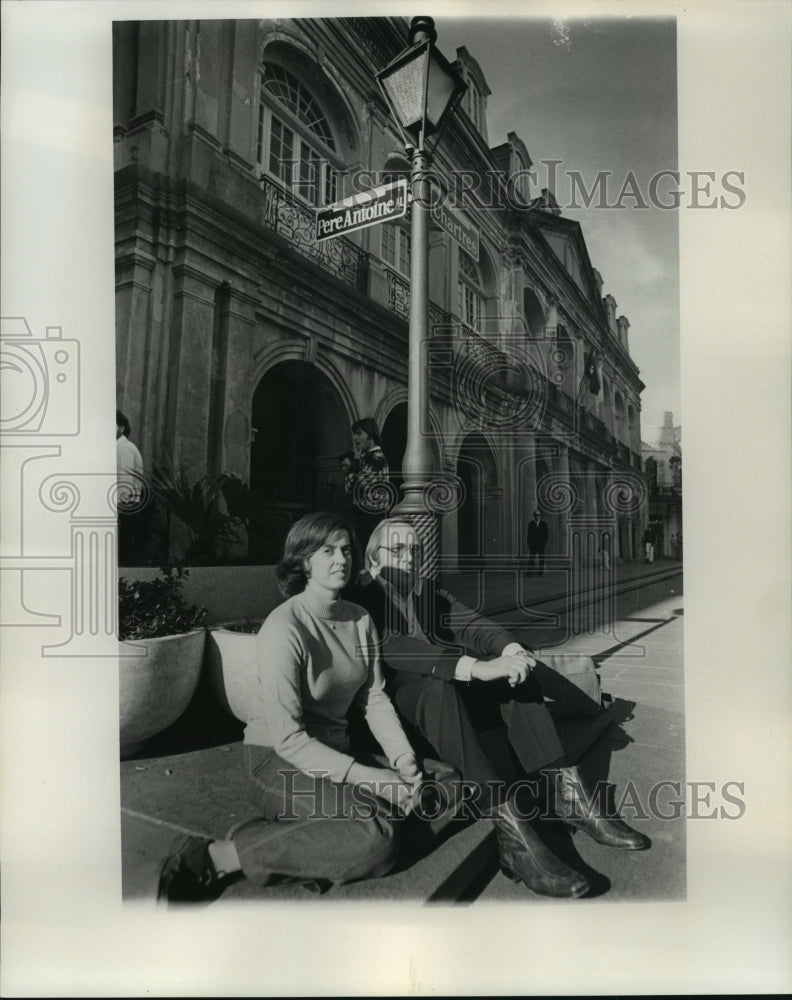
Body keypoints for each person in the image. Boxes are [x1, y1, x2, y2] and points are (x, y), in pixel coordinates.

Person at [347, 517, 651, 900]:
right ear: (374, 561)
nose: (409, 557)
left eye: (415, 550)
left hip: (444, 691)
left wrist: (511, 652)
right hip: (398, 709)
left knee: (515, 676)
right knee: (437, 687)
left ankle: (565, 793)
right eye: (398, 550)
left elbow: (474, 625)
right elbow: (398, 648)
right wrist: (477, 667)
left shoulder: (427, 591)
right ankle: (509, 830)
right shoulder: (363, 596)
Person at [157, 512, 433, 905]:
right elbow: (288, 738)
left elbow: (373, 697)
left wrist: (404, 761)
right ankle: (220, 855)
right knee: (376, 837)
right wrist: (372, 780)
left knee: (445, 786)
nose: (341, 559)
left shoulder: (360, 620)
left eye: (345, 550)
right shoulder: (284, 627)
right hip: (275, 759)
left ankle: (316, 841)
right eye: (327, 551)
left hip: (335, 755)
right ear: (304, 562)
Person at [343, 417, 391, 548]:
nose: (355, 438)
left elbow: (352, 487)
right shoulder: (369, 458)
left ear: (370, 435)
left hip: (369, 518)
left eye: (359, 433)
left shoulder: (376, 459)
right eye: (354, 434)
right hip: (366, 517)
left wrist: (355, 465)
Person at [116, 409, 147, 565]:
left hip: (124, 512)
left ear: (121, 428)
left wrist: (116, 513)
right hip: (120, 511)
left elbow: (125, 485)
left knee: (121, 560)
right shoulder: (117, 447)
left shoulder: (125, 448)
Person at [526, 509, 549, 577]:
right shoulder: (531, 523)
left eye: (538, 515)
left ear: (540, 516)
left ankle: (540, 572)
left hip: (541, 544)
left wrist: (544, 542)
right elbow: (529, 534)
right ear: (534, 516)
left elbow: (546, 534)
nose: (537, 516)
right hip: (533, 544)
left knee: (541, 559)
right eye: (536, 515)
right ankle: (529, 572)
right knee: (531, 558)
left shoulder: (543, 524)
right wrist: (528, 543)